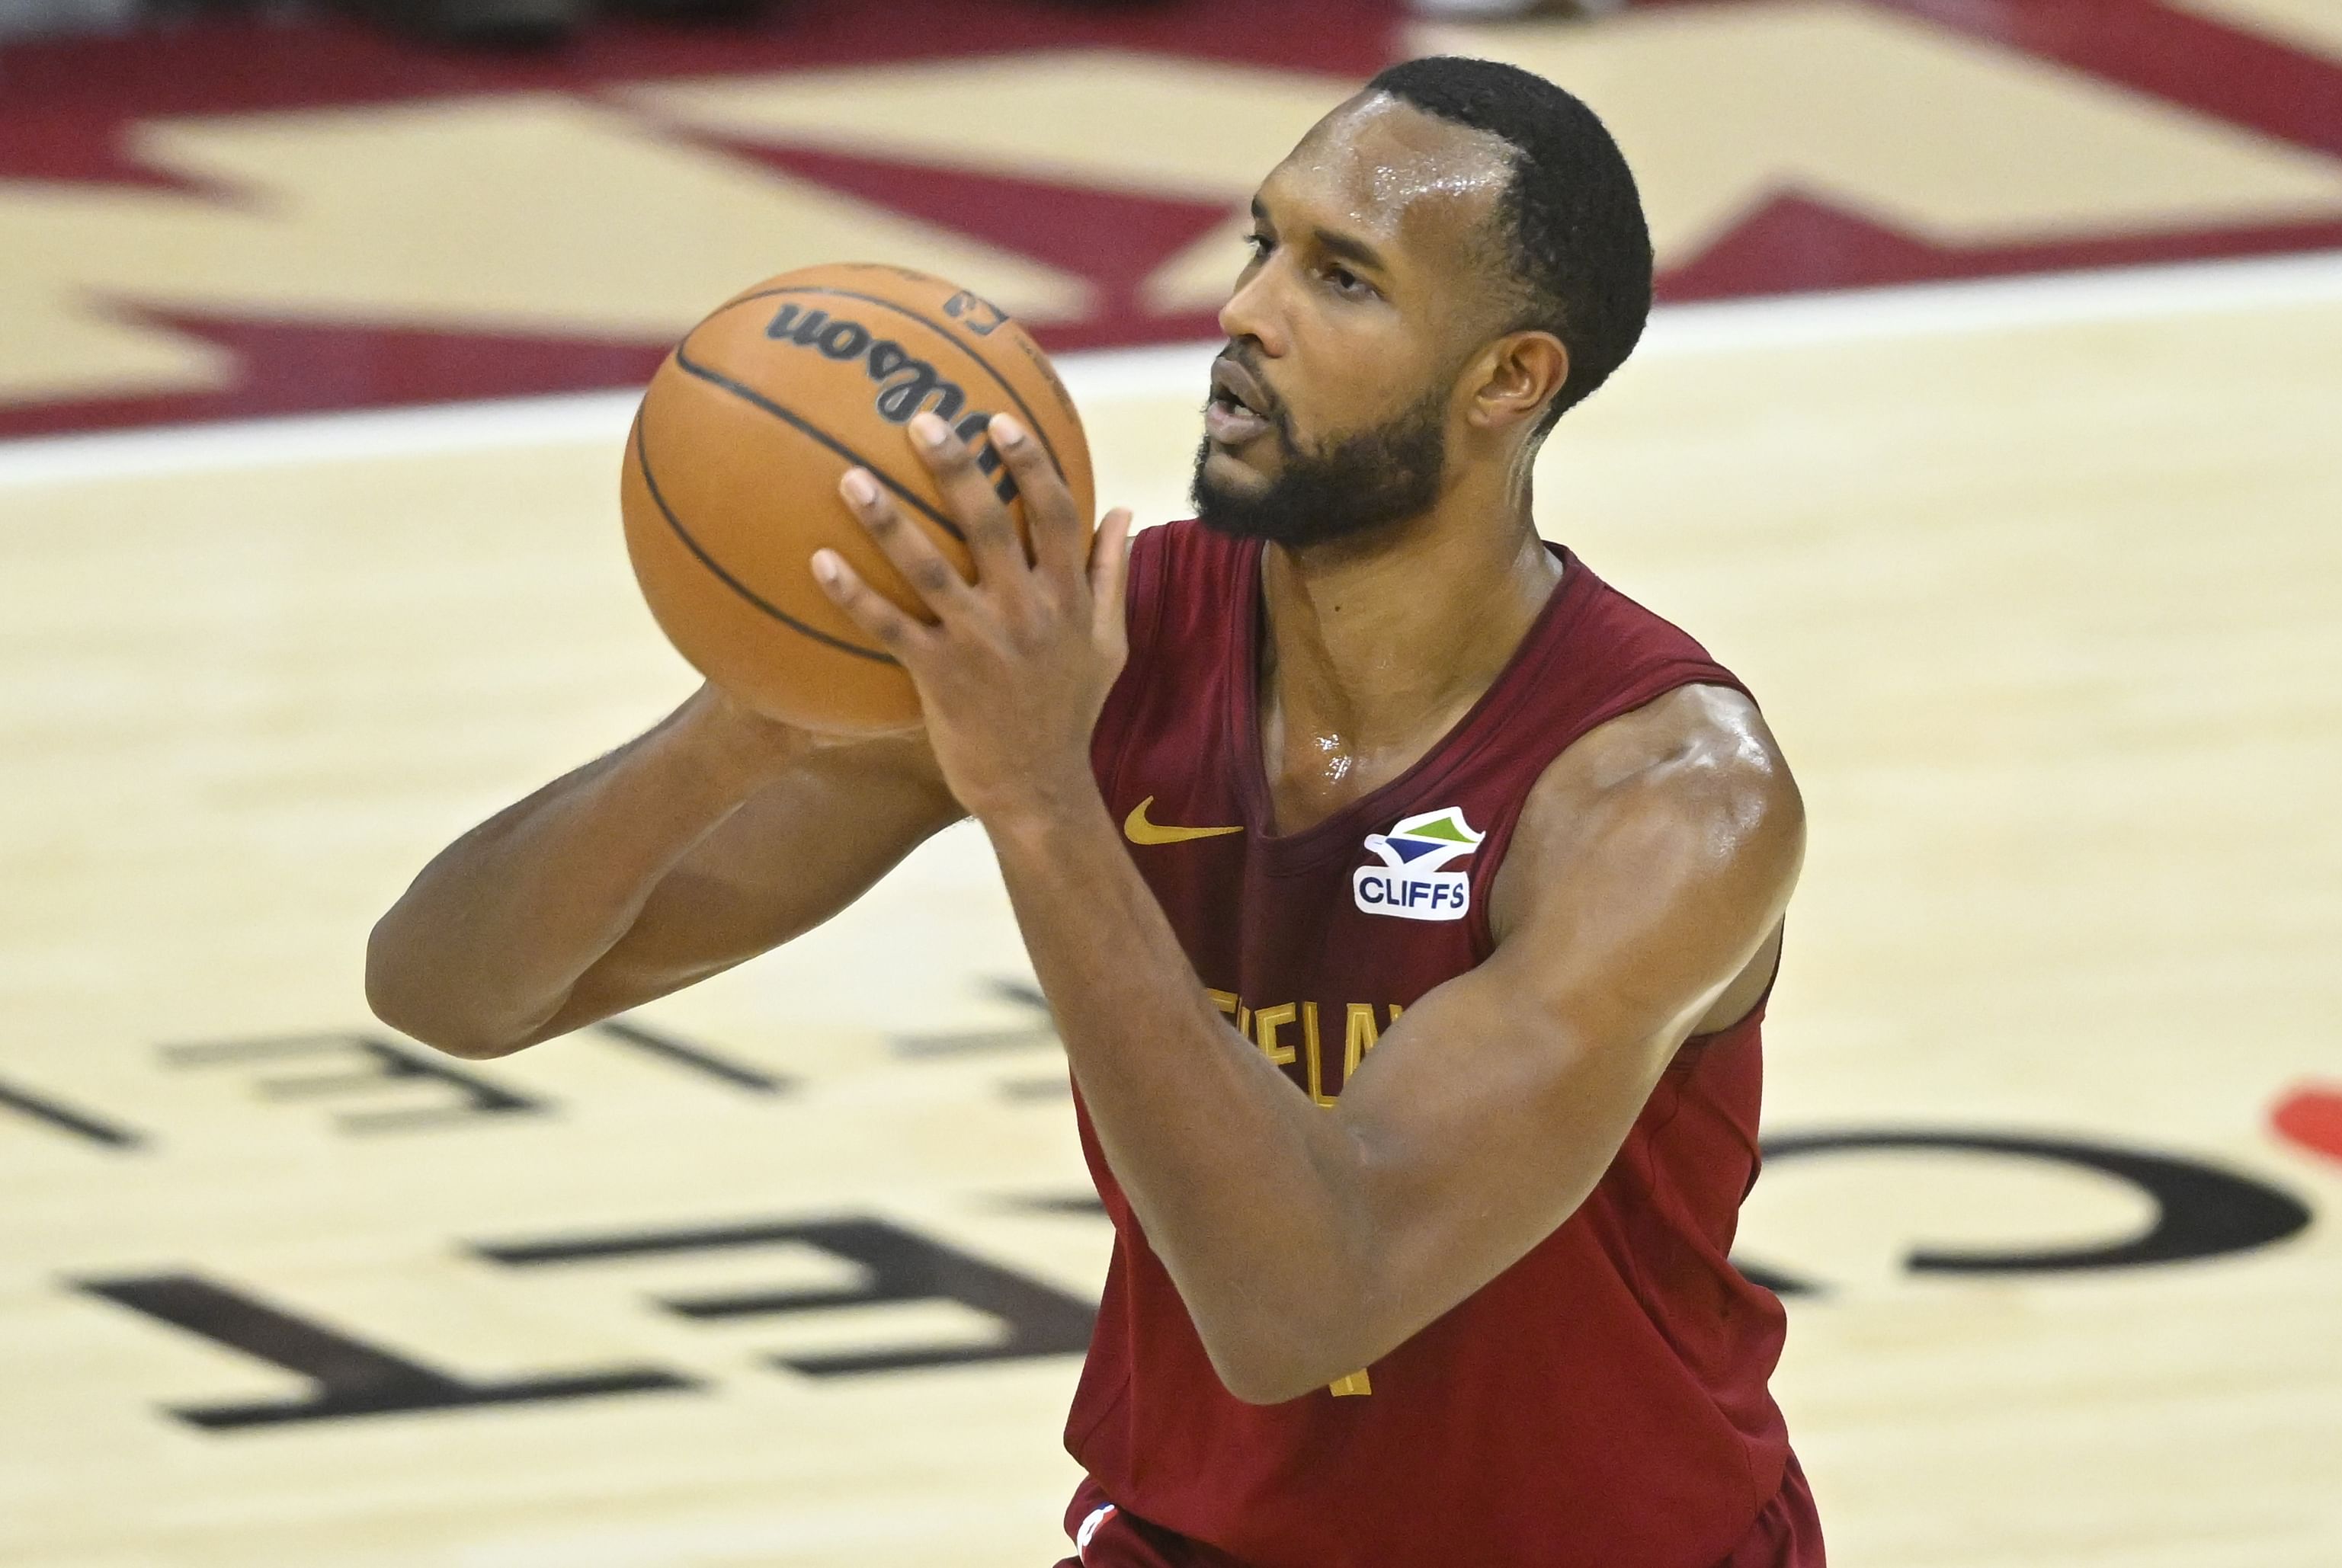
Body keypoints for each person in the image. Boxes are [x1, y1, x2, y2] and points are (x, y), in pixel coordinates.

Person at [367, 55, 1820, 1568]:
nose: (1240, 310)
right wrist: (746, 716)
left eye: (1340, 277)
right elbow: (448, 991)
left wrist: (1040, 802)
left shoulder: (1665, 803)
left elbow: (1304, 1299)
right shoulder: (1094, 650)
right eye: (1264, 240)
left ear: (1508, 380)